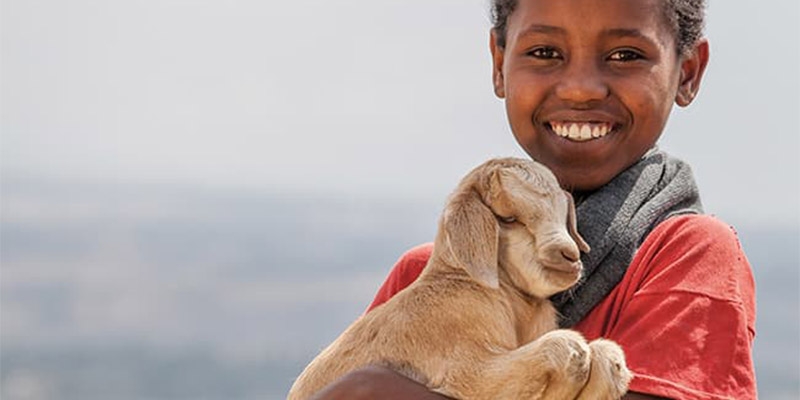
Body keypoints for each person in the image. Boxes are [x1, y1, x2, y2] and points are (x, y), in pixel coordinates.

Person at [307, 0, 757, 398]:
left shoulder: (689, 254)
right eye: (545, 53)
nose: (581, 88)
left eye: (626, 55)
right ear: (499, 64)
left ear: (688, 72)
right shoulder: (422, 276)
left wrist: (378, 392)